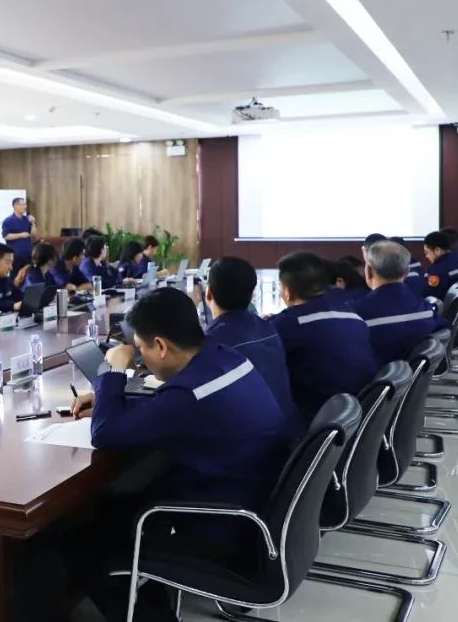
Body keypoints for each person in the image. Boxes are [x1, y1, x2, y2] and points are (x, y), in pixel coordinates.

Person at [67, 288, 289, 621]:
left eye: (141, 349)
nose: (140, 358)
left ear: (161, 346)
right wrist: (107, 400)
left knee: (84, 545)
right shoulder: (223, 356)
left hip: (224, 525)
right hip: (253, 499)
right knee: (118, 504)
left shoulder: (189, 394)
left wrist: (110, 372)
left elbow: (105, 434)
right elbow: (174, 405)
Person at [269, 252, 377, 418]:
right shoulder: (351, 314)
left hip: (322, 418)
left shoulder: (290, 323)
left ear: (288, 292)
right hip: (363, 410)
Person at [203, 257, 302, 436]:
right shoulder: (269, 328)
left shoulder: (212, 343)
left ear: (208, 293)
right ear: (251, 295)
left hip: (253, 442)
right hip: (288, 434)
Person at [355, 241, 448, 365]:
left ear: (369, 271)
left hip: (375, 375)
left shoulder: (356, 314)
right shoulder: (425, 309)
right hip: (407, 375)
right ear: (407, 271)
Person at [422, 231, 458, 300]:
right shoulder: (455, 261)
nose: (426, 256)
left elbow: (429, 293)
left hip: (439, 303)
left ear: (437, 250)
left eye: (427, 252)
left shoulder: (436, 270)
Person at [1, 197, 37, 271]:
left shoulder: (27, 219)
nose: (25, 207)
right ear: (15, 206)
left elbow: (34, 235)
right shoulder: (8, 221)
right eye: (22, 204)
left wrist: (33, 223)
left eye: (25, 204)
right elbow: (6, 236)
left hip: (28, 254)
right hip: (15, 255)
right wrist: (21, 235)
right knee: (15, 274)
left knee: (28, 273)